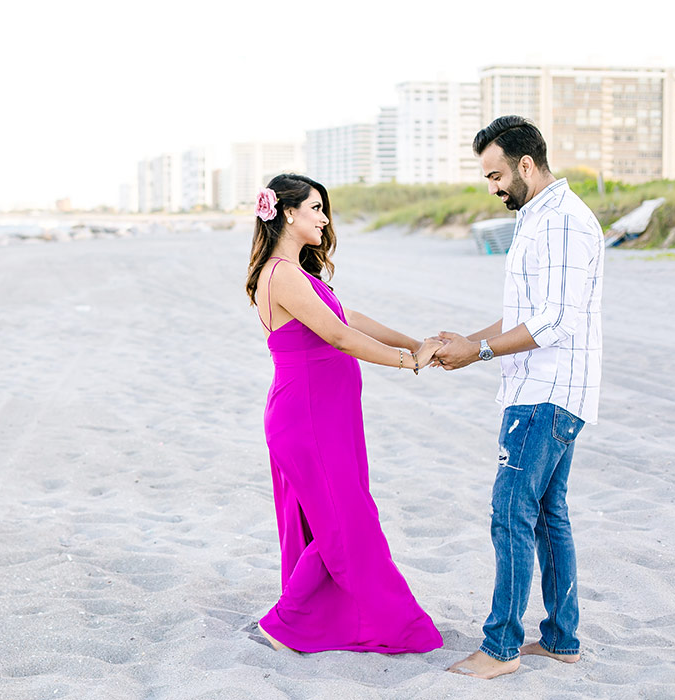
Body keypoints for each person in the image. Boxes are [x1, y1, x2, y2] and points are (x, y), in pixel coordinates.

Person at [435, 116, 605, 679]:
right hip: (547, 391)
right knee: (547, 515)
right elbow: (524, 316)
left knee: (511, 511)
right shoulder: (540, 217)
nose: (493, 187)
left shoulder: (561, 221)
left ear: (526, 164)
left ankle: (500, 647)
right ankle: (560, 637)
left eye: (497, 175)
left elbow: (555, 320)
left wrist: (481, 354)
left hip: (545, 394)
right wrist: (469, 340)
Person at [245, 173, 444, 654]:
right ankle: (286, 623)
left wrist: (413, 342)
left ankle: (314, 620)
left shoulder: (300, 274)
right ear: (287, 213)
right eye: (315, 208)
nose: (324, 218)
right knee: (345, 519)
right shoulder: (282, 274)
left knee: (335, 517)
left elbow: (348, 318)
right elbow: (337, 336)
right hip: (309, 419)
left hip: (326, 417)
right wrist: (405, 363)